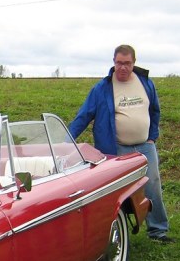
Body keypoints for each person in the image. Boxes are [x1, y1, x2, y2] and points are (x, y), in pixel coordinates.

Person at [69, 44, 173, 243]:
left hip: (144, 146)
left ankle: (158, 231)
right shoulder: (102, 88)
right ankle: (113, 233)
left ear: (134, 63)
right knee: (117, 193)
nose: (123, 67)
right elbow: (84, 116)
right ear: (113, 62)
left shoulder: (145, 83)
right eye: (119, 63)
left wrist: (152, 136)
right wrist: (66, 141)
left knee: (153, 185)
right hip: (116, 149)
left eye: (127, 63)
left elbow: (155, 111)